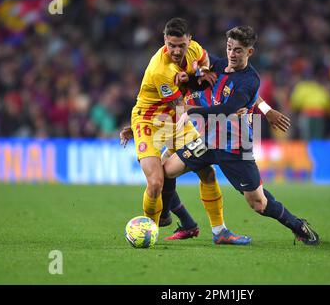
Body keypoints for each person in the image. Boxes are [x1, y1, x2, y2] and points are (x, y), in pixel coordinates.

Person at [163, 25, 320, 245]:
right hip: (207, 141)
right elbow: (193, 70)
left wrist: (192, 112)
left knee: (258, 203)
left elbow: (228, 109)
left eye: (238, 50)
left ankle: (298, 226)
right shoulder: (215, 65)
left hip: (234, 146)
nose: (232, 54)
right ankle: (184, 222)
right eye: (229, 48)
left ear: (249, 52)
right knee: (165, 171)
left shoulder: (250, 80)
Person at [129, 17, 250, 244]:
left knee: (207, 171)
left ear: (189, 41)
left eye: (181, 45)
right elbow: (182, 106)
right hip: (150, 121)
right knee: (155, 183)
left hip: (176, 119)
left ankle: (219, 232)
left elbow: (205, 66)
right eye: (171, 45)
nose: (176, 50)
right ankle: (149, 230)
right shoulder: (160, 70)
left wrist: (201, 72)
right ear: (165, 40)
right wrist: (226, 110)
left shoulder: (195, 49)